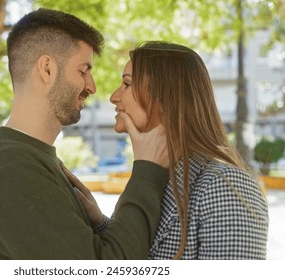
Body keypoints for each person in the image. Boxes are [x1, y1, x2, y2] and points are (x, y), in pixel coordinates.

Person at [0, 9, 169, 260]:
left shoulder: (28, 157)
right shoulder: (9, 167)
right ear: (47, 69)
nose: (92, 86)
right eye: (83, 71)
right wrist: (147, 172)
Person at [101, 41, 268, 259]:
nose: (114, 96)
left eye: (127, 84)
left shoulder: (224, 187)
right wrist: (100, 225)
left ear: (164, 96)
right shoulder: (159, 177)